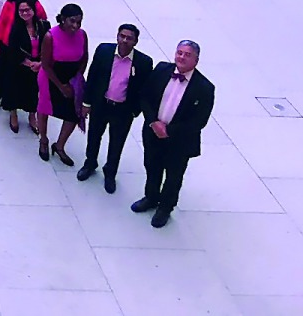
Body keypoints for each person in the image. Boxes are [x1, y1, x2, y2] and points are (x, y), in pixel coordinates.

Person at [132, 40, 215, 228]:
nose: (182, 57)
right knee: (152, 167)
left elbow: (199, 121)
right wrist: (153, 122)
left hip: (179, 142)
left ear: (196, 60)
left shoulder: (204, 87)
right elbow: (145, 96)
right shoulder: (162, 69)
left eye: (187, 55)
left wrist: (168, 130)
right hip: (153, 133)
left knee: (173, 176)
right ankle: (151, 197)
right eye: (180, 52)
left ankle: (165, 208)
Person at [77, 24, 153, 194]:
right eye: (122, 36)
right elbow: (92, 76)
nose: (124, 40)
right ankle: (90, 163)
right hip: (101, 104)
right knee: (94, 136)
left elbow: (145, 89)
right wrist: (86, 103)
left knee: (117, 143)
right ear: (117, 36)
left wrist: (135, 111)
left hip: (123, 110)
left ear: (136, 41)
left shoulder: (144, 62)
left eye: (129, 38)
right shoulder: (104, 51)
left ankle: (110, 173)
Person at [37, 3, 89, 166]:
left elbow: (84, 58)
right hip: (52, 78)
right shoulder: (50, 37)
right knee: (45, 109)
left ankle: (59, 146)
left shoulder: (82, 35)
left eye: (79, 22)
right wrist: (61, 86)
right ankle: (43, 140)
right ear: (63, 19)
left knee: (73, 114)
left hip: (72, 78)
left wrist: (77, 79)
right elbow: (46, 65)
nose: (76, 26)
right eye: (72, 21)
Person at [0, 0, 47, 134]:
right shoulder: (15, 28)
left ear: (33, 10)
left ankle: (32, 116)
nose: (24, 13)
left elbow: (49, 47)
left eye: (27, 10)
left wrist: (40, 63)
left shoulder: (43, 26)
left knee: (33, 92)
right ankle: (13, 115)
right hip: (18, 65)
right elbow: (13, 50)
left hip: (37, 66)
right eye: (21, 10)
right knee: (14, 91)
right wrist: (29, 63)